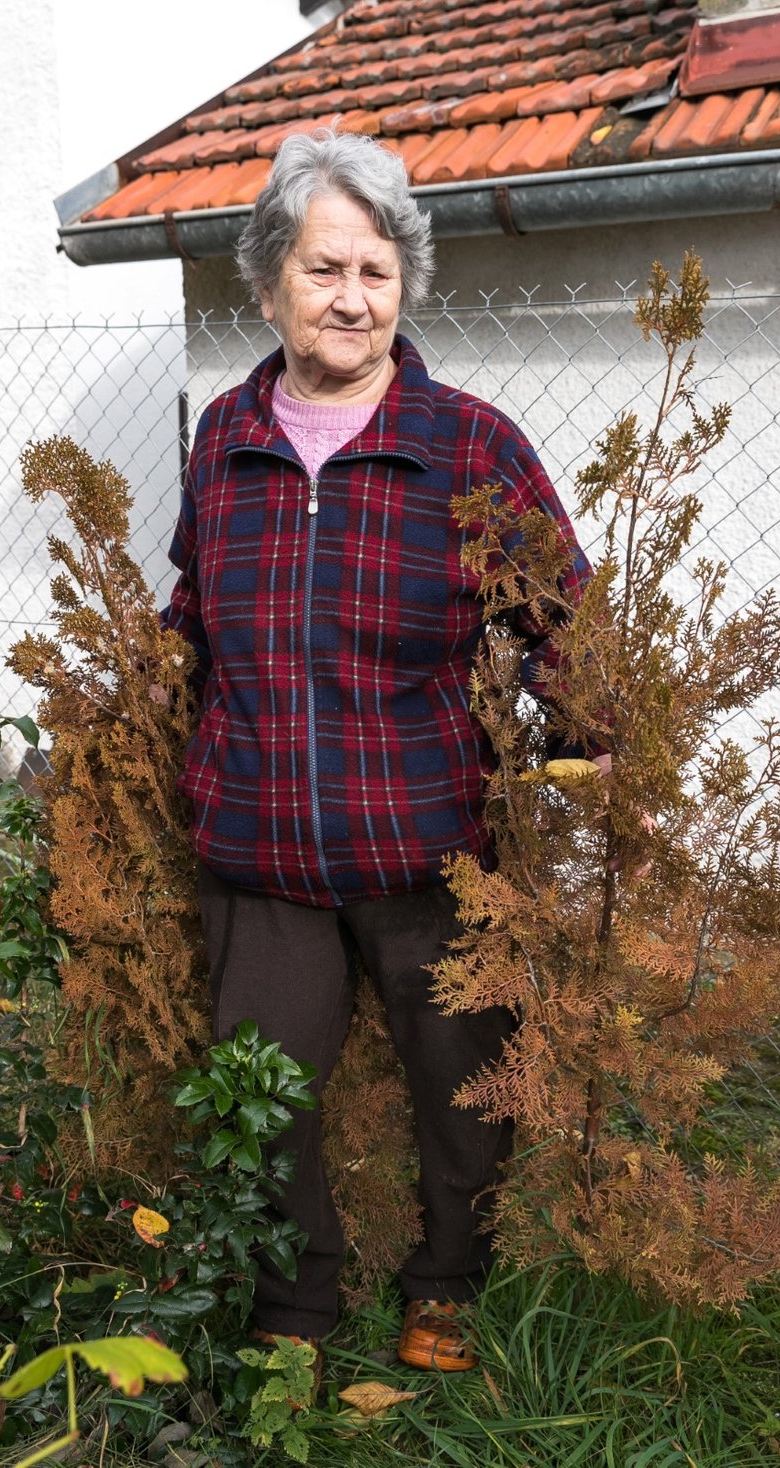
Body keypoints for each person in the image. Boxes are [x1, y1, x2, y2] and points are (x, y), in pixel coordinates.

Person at [163, 127, 596, 1375]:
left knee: (465, 1085)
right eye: (323, 269)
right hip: (257, 845)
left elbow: (565, 618)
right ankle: (293, 1306)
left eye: (378, 272)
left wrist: (584, 740)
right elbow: (192, 612)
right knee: (266, 1100)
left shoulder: (470, 444)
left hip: (426, 844)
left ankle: (445, 1284)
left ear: (404, 288)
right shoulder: (224, 441)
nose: (353, 298)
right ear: (267, 283)